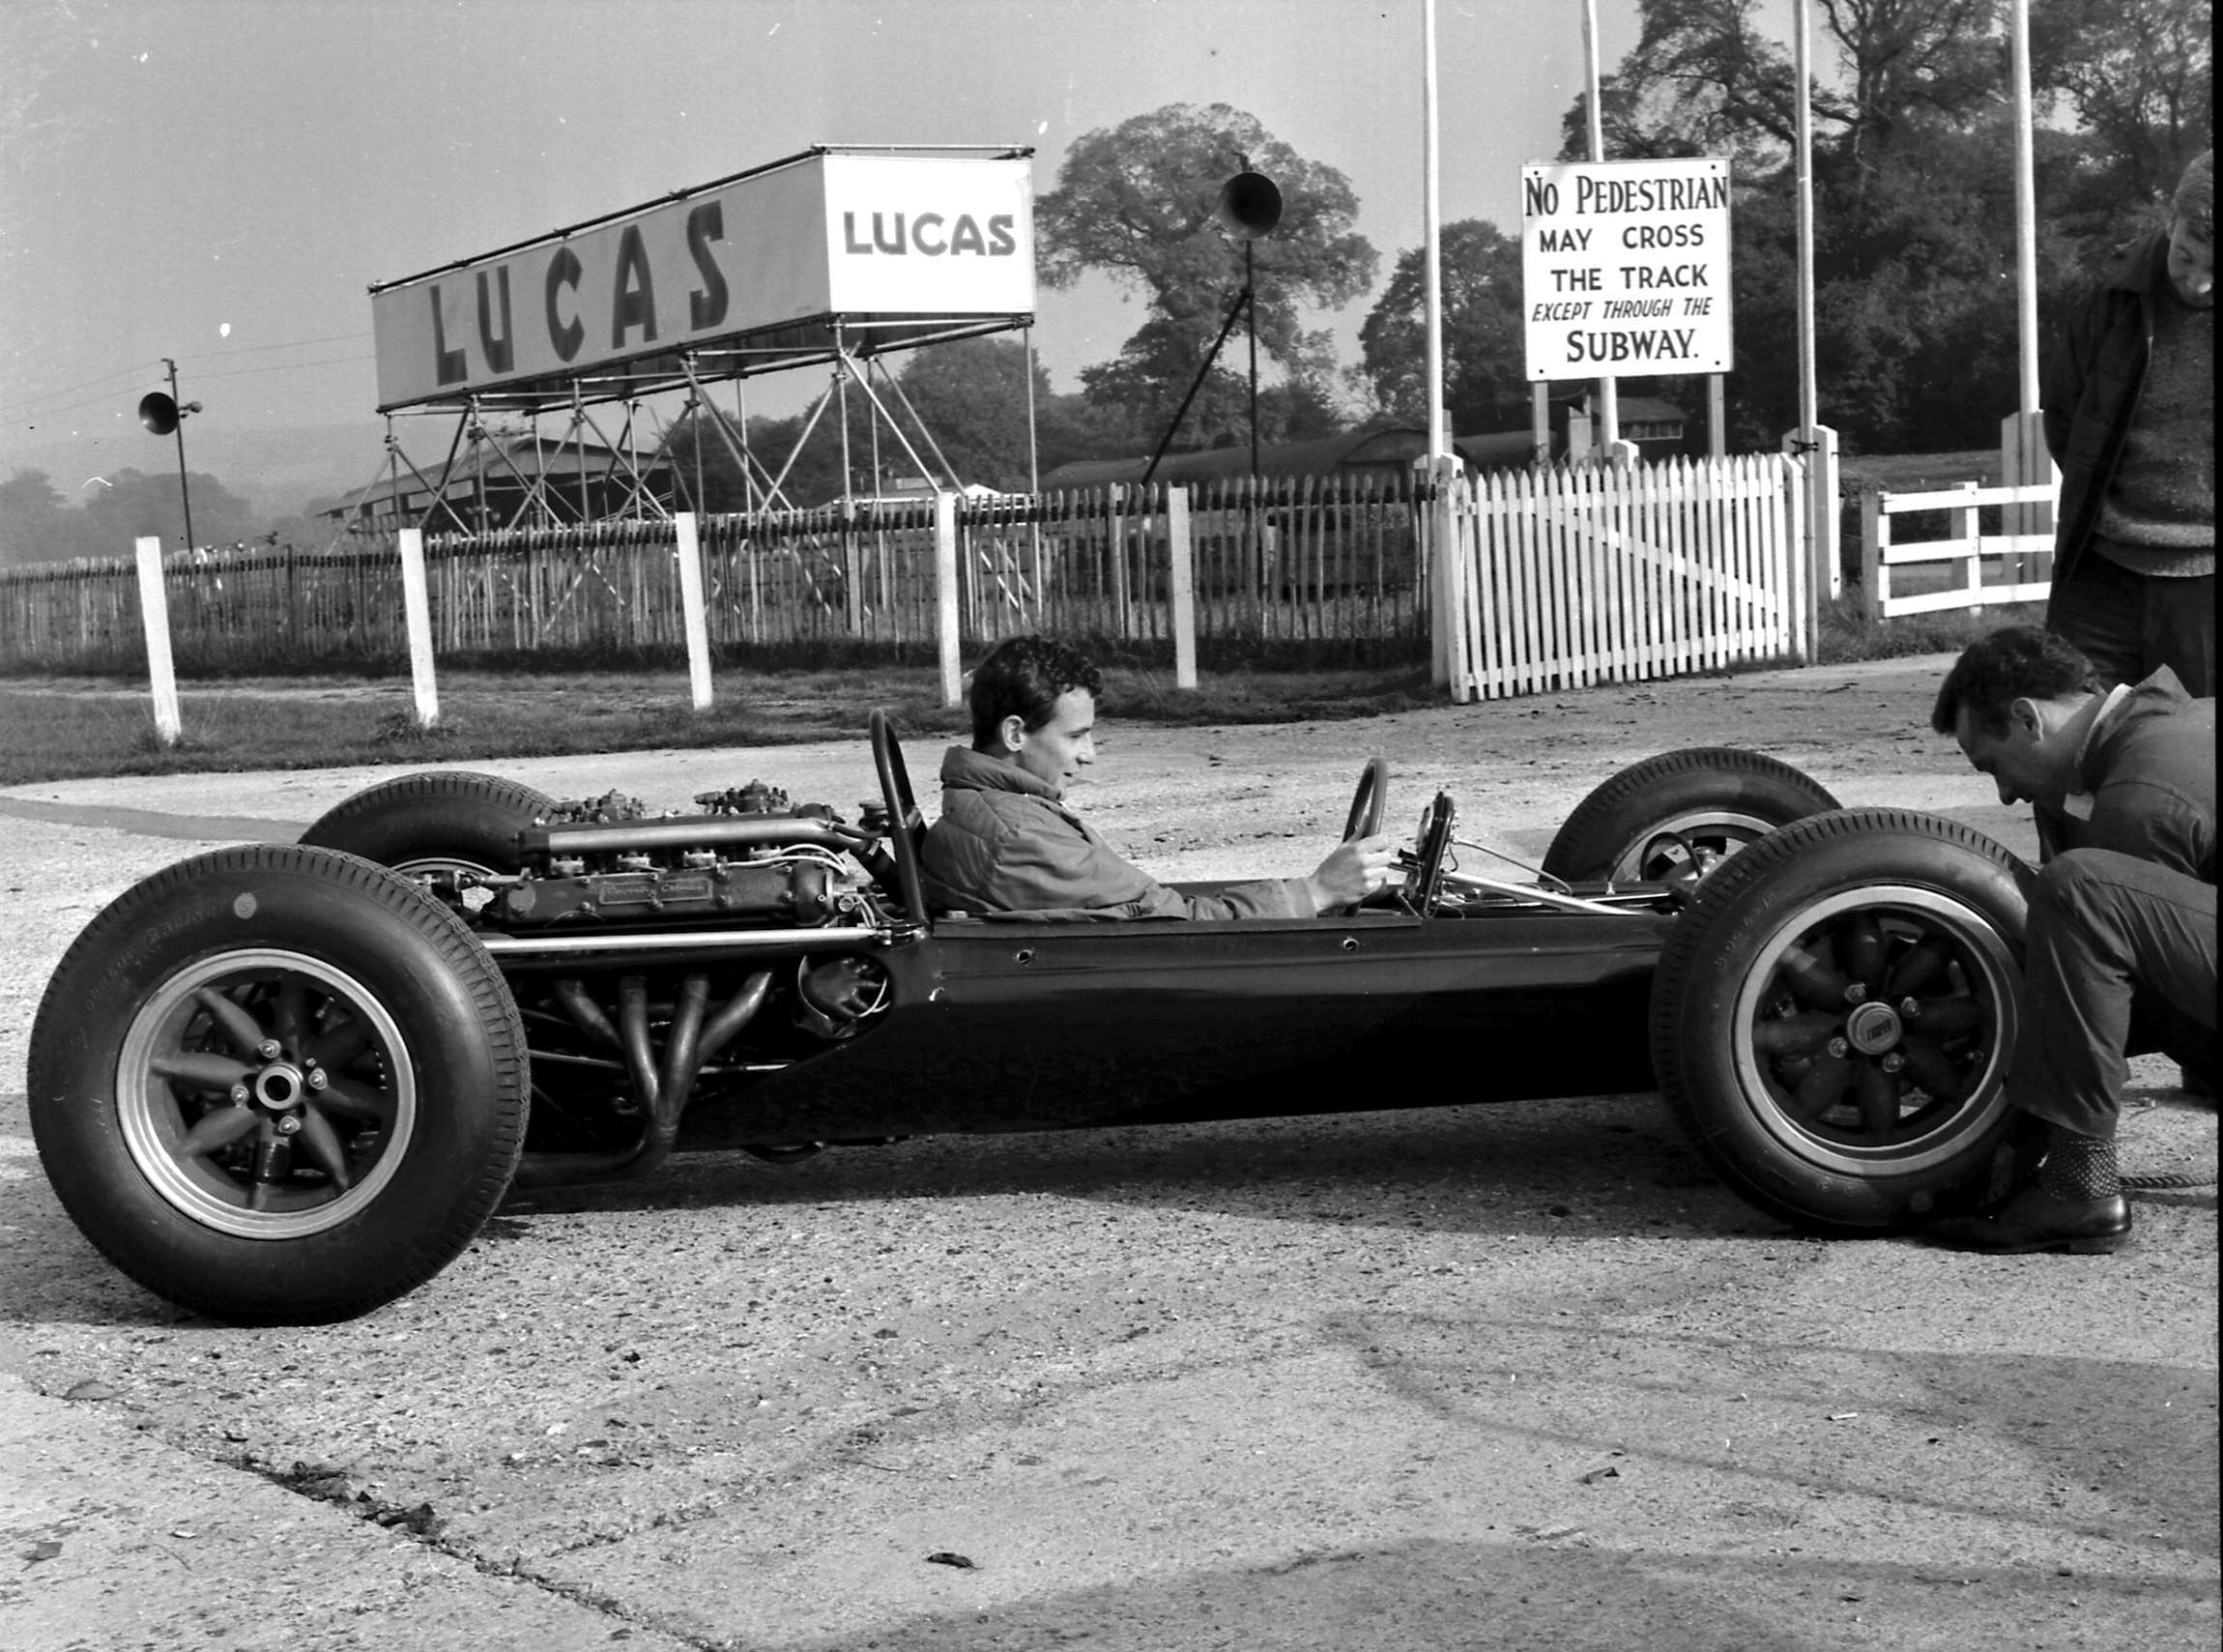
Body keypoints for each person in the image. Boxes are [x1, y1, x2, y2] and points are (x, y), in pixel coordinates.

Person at [1923, 626, 2214, 1254]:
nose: (2003, 792)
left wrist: (1984, 1144)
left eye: (1992, 762)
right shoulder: (2167, 726)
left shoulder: (2143, 796)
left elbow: (2110, 1002)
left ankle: (2079, 1186)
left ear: (2028, 719)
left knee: (2079, 892)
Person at [921, 634, 1398, 920]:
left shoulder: (985, 808)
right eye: (1076, 736)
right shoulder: (1022, 837)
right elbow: (1175, 925)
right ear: (1015, 734)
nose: (1089, 756)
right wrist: (1316, 892)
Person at [2040, 149, 2213, 698]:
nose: (2199, 282)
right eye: (2187, 256)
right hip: (2102, 574)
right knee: (2069, 750)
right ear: (2170, 221)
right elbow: (2068, 420)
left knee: (2195, 769)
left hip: (2208, 583)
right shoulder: (2111, 299)